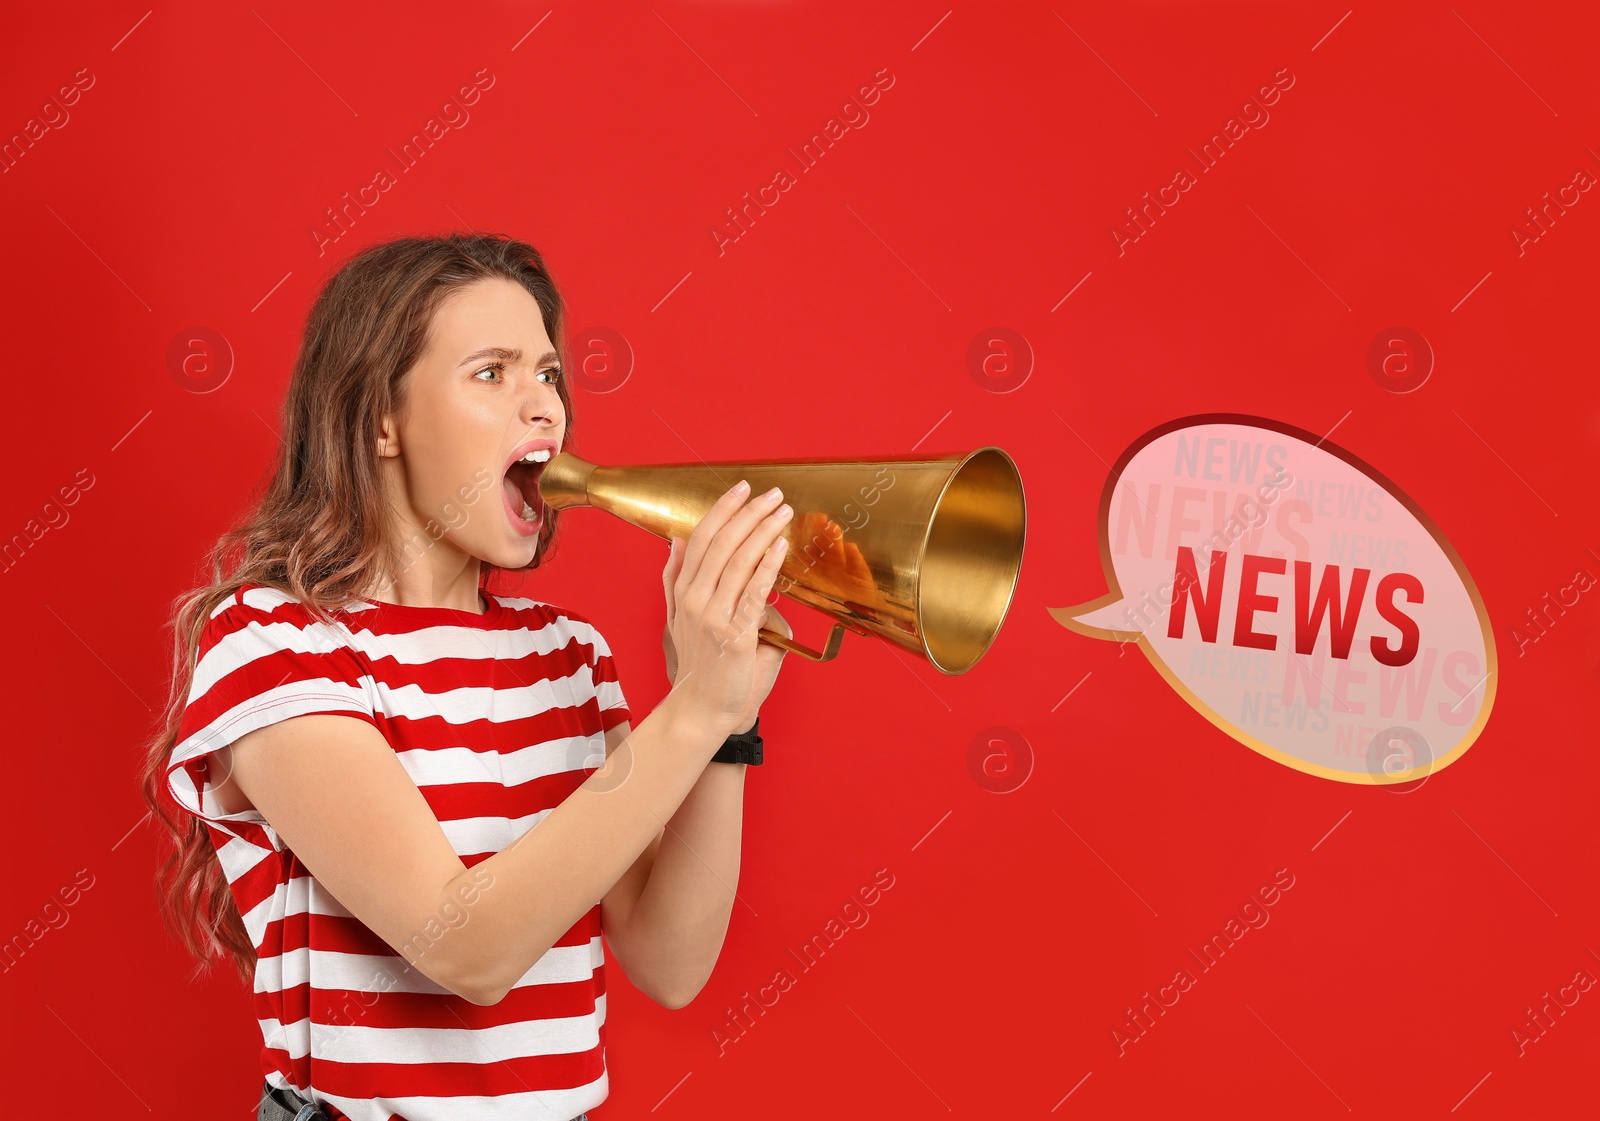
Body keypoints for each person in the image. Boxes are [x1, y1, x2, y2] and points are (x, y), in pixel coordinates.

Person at [137, 233, 795, 1121]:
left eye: (550, 375)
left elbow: (669, 964)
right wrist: (693, 709)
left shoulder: (568, 655)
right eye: (492, 373)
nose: (544, 409)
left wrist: (727, 725)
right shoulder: (273, 642)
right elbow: (468, 950)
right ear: (381, 419)